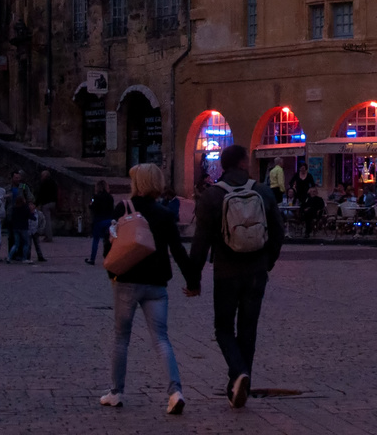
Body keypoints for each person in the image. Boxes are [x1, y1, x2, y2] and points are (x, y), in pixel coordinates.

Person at [191, 144, 284, 410]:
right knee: (248, 329)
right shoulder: (263, 192)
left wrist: (193, 278)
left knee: (223, 328)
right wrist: (268, 262)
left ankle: (238, 372)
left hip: (226, 272)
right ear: (244, 163)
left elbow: (200, 243)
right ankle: (240, 383)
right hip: (256, 272)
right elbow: (278, 232)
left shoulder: (211, 197)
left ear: (223, 165)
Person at [100, 164, 198, 415]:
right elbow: (177, 250)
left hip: (127, 280)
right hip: (156, 283)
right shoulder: (165, 214)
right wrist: (192, 281)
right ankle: (175, 392)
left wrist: (111, 269)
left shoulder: (124, 208)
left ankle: (116, 392)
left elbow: (108, 239)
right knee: (161, 339)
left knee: (122, 337)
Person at [87, 180, 115, 265]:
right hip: (108, 220)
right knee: (108, 240)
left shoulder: (95, 197)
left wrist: (92, 202)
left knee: (96, 240)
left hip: (98, 220)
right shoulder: (110, 197)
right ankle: (109, 258)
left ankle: (92, 259)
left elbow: (91, 206)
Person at [7, 184, 31, 262]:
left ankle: (9, 257)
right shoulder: (25, 208)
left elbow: (12, 217)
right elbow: (30, 216)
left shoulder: (14, 209)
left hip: (16, 228)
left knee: (16, 244)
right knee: (26, 243)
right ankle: (24, 258)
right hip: (23, 227)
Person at [36, 169, 58, 242]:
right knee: (48, 220)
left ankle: (48, 236)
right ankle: (48, 235)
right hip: (53, 202)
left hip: (47, 203)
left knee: (46, 220)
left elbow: (41, 194)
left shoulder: (44, 183)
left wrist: (36, 203)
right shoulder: (53, 182)